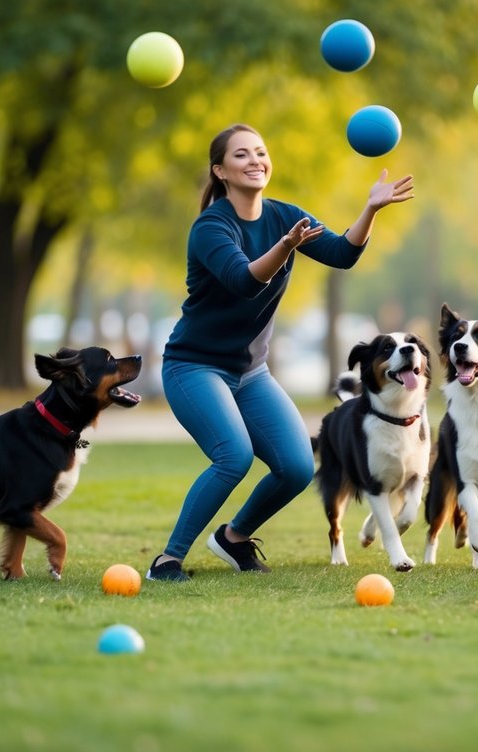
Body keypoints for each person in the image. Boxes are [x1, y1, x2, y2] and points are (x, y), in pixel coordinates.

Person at [144, 123, 416, 582]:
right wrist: (286, 246)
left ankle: (233, 538)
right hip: (194, 366)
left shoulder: (283, 214)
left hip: (250, 372)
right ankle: (167, 559)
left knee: (293, 467)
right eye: (241, 155)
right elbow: (245, 280)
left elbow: (342, 254)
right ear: (220, 171)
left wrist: (370, 209)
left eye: (260, 153)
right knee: (234, 455)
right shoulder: (211, 227)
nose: (255, 161)